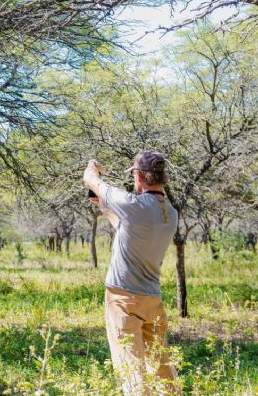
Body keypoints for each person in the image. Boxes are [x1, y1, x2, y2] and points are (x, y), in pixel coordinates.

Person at [82, 150, 180, 395]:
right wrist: (105, 208)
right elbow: (127, 228)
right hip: (152, 300)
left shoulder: (132, 203)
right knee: (162, 368)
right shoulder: (170, 212)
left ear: (139, 176)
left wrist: (93, 166)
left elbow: (89, 178)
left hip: (123, 300)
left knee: (131, 369)